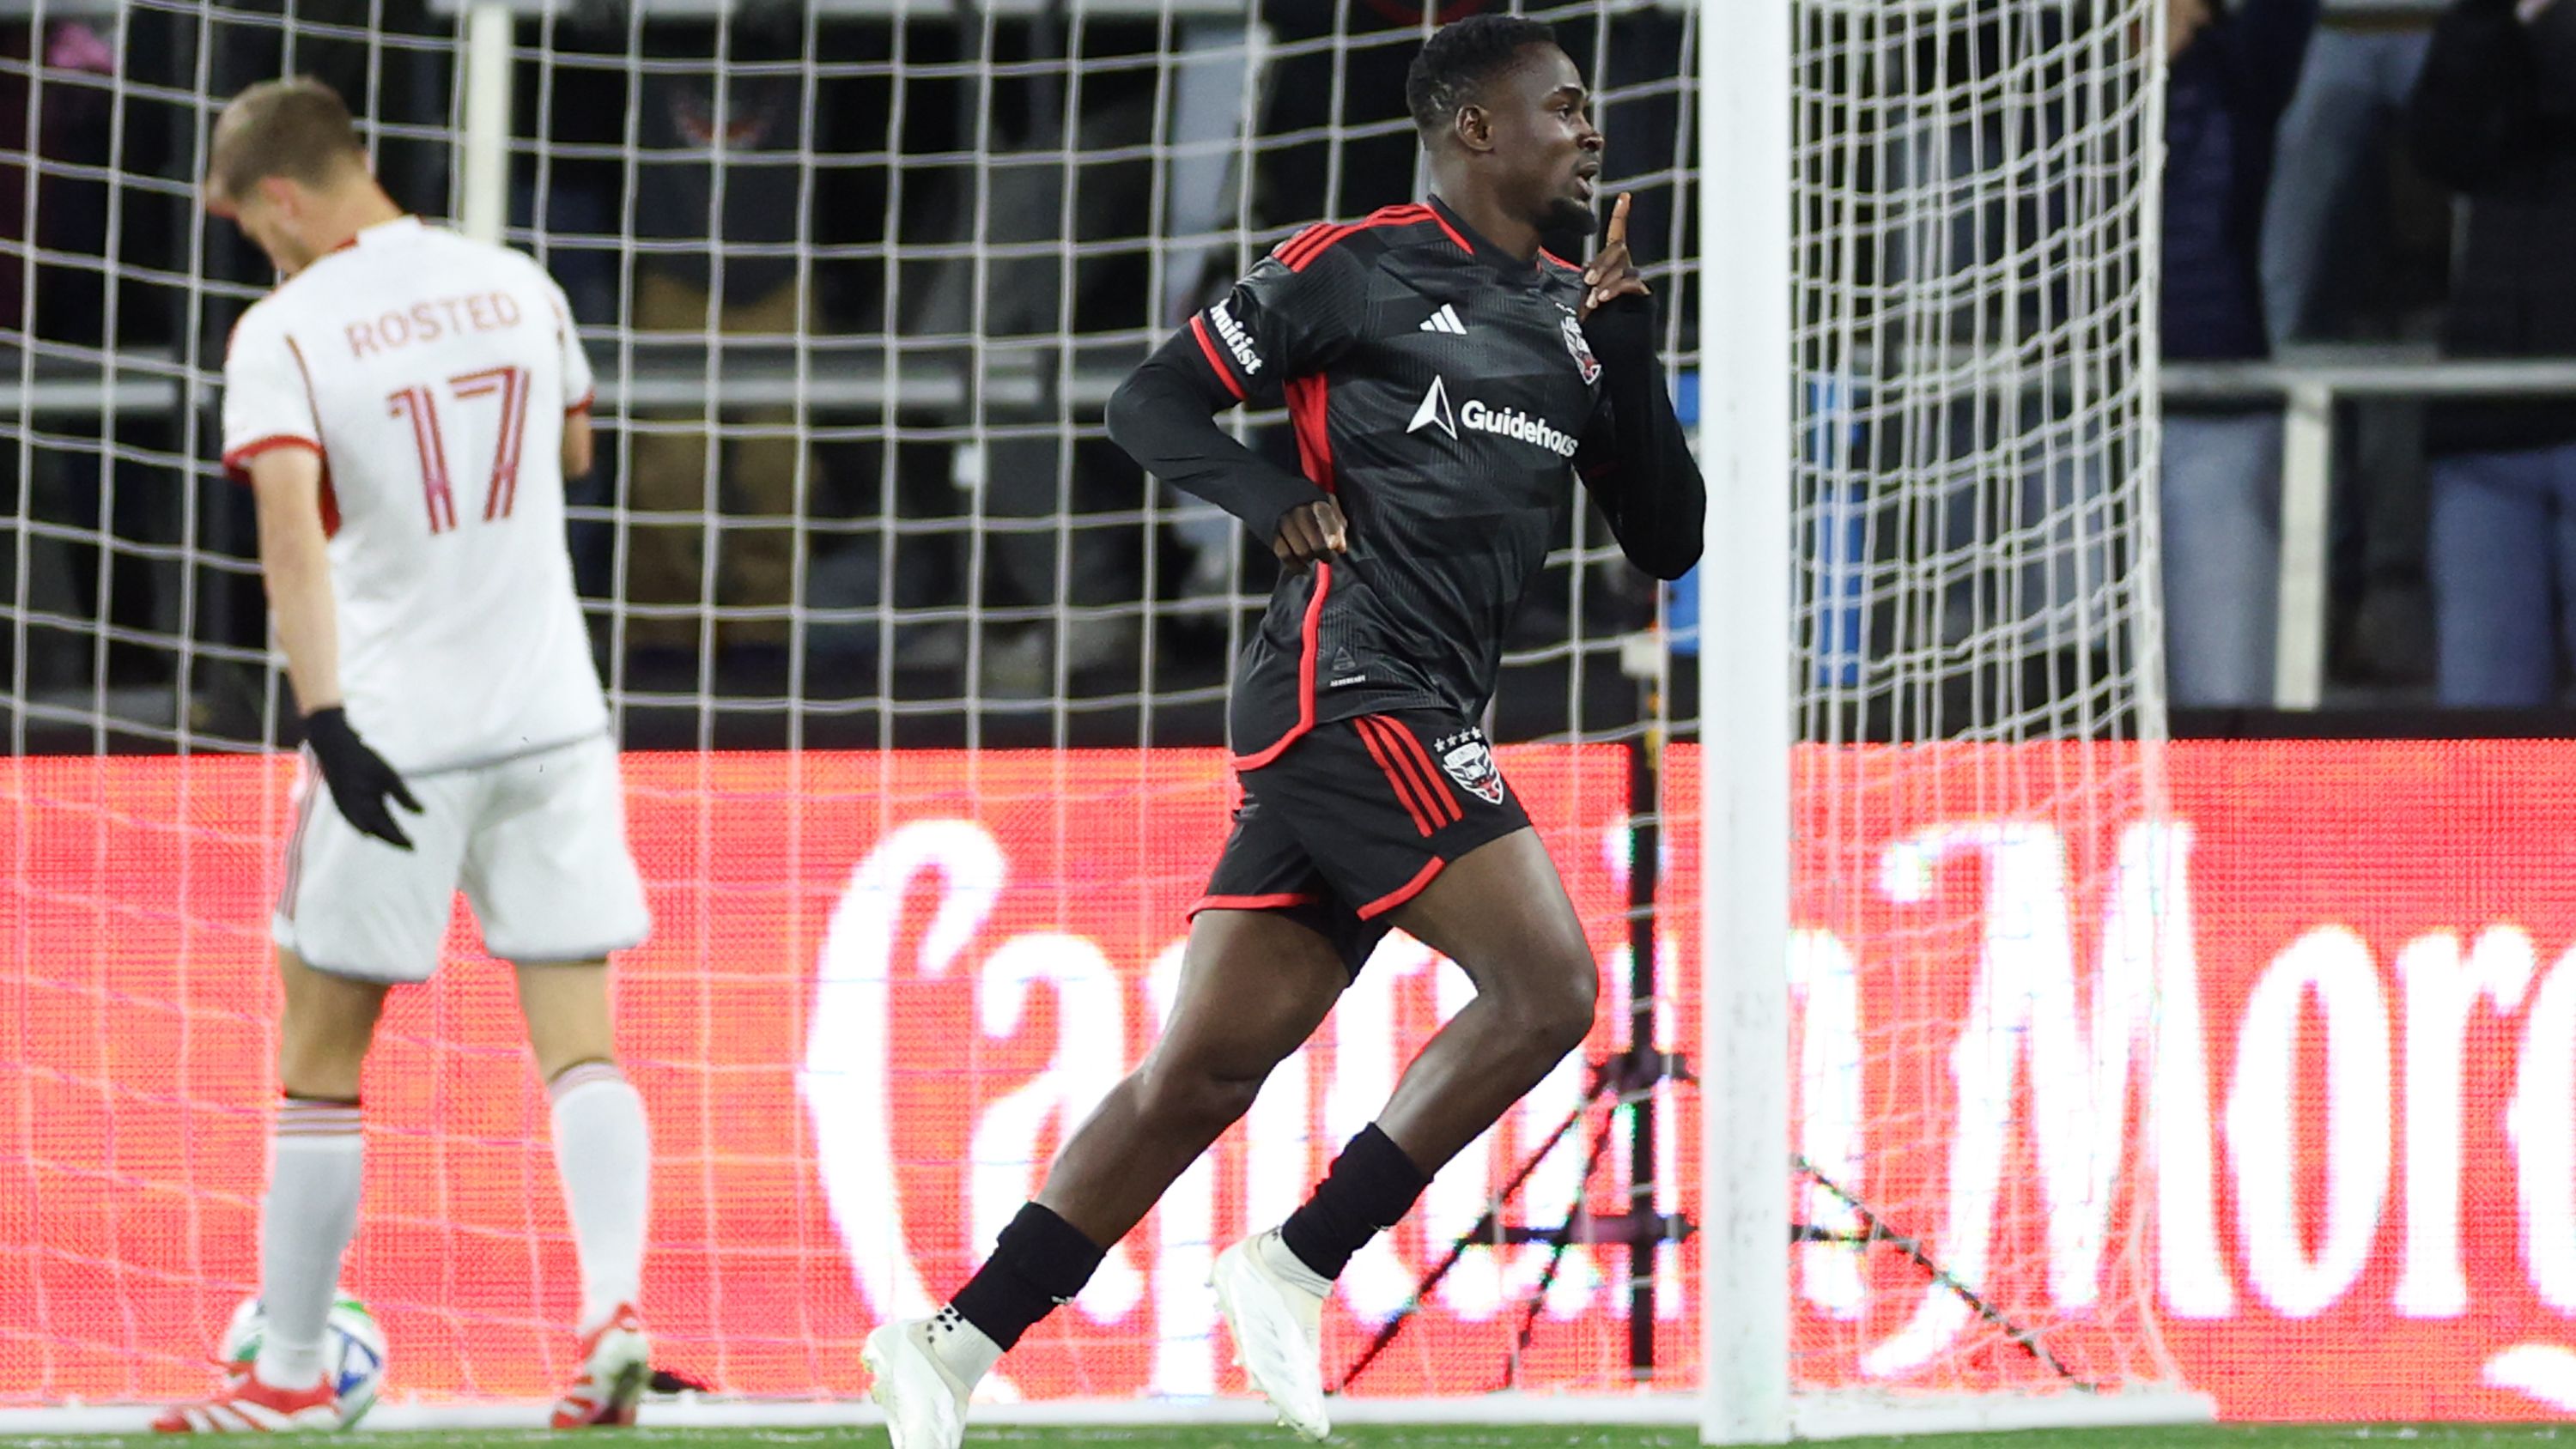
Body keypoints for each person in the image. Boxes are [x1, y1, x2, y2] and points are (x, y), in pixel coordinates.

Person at [860, 15, 1703, 1448]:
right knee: (1551, 986)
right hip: (1350, 684)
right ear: (1475, 126)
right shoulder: (1348, 266)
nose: (1592, 129)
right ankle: (1302, 1257)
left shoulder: (1577, 315)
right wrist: (1267, 501)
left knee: (1201, 1069)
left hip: (1426, 698)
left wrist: (1629, 355)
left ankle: (948, 1339)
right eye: (1563, 105)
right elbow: (1149, 400)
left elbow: (1668, 541)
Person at [158, 78, 654, 1432]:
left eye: (249, 226)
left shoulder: (285, 328)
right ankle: (612, 1316)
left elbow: (291, 545)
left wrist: (325, 720)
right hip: (552, 707)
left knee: (321, 1055)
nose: (256, 250)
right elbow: (574, 449)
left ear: (279, 197)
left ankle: (294, 1374)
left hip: (393, 728)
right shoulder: (519, 283)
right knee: (581, 1045)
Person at [2408, 0, 2576, 705]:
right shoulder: (2496, 21)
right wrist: (2488, 17)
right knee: (2484, 749)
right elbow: (2446, 147)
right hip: (2486, 416)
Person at [2158, 0, 2318, 706]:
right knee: (2074, 699)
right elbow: (1947, 55)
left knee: (2224, 702)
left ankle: (2221, 825)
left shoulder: (2238, 66)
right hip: (2073, 419)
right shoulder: (2061, 70)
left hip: (2215, 413)